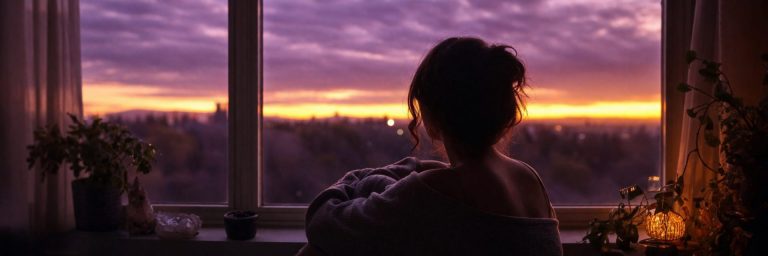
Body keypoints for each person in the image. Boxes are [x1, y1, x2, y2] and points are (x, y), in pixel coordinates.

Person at [299, 37, 562, 256]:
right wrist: (416, 170)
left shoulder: (434, 191)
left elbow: (322, 223)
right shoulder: (529, 178)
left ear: (432, 116)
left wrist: (356, 179)